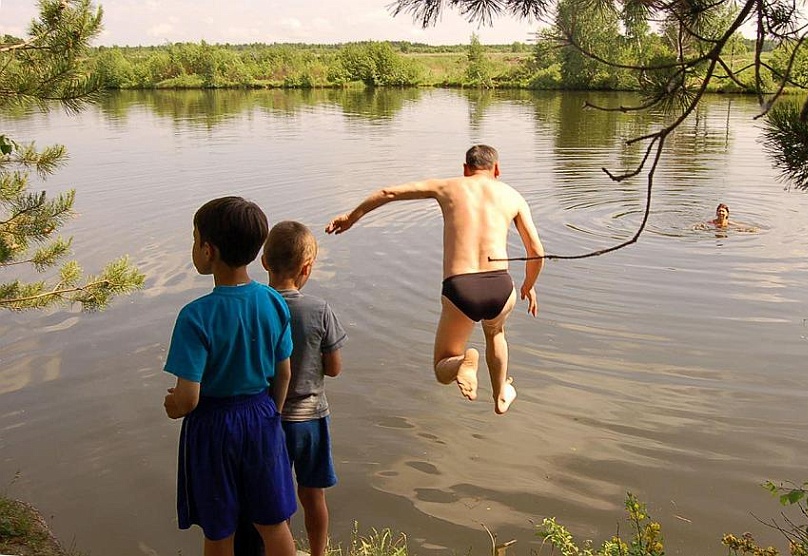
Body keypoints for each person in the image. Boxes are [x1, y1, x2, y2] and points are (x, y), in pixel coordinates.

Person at [325, 144, 544, 415]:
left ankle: (464, 361)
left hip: (461, 287)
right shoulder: (513, 196)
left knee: (443, 366)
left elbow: (388, 192)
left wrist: (351, 217)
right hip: (501, 285)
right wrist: (528, 286)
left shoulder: (448, 187)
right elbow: (536, 253)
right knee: (495, 332)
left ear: (465, 169)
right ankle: (501, 395)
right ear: (497, 169)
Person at [163, 196, 298, 556]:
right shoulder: (273, 302)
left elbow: (188, 397)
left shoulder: (195, 316)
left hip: (213, 427)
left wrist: (172, 406)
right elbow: (283, 373)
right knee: (273, 522)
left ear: (208, 251)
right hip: (262, 416)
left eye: (194, 240)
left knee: (219, 527)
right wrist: (273, 413)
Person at [236, 221, 347, 556]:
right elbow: (334, 368)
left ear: (265, 262)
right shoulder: (319, 309)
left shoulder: (254, 306)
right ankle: (317, 553)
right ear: (307, 268)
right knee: (313, 495)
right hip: (312, 419)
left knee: (270, 496)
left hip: (269, 419)